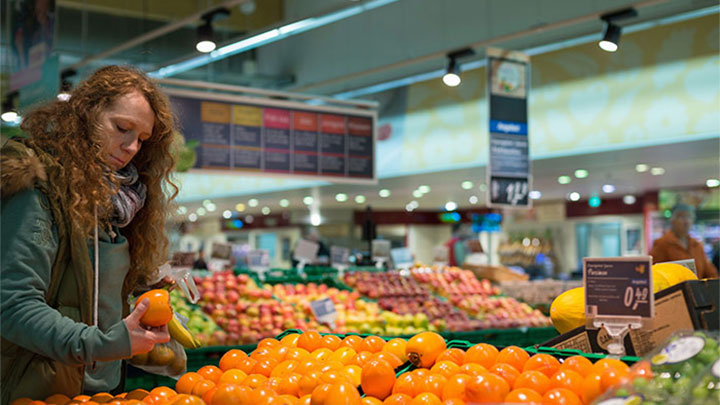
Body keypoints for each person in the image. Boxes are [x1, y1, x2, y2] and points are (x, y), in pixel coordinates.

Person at [1, 65, 177, 402]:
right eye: (122, 128)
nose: (131, 147)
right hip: (37, 390)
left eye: (142, 139)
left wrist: (142, 298)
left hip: (103, 389)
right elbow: (14, 305)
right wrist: (105, 344)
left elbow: (86, 292)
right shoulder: (38, 187)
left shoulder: (121, 205)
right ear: (85, 114)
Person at [649, 203, 718, 279]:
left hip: (697, 289)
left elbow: (710, 273)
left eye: (689, 217)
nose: (686, 221)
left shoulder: (697, 245)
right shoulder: (662, 244)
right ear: (672, 220)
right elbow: (653, 273)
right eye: (681, 217)